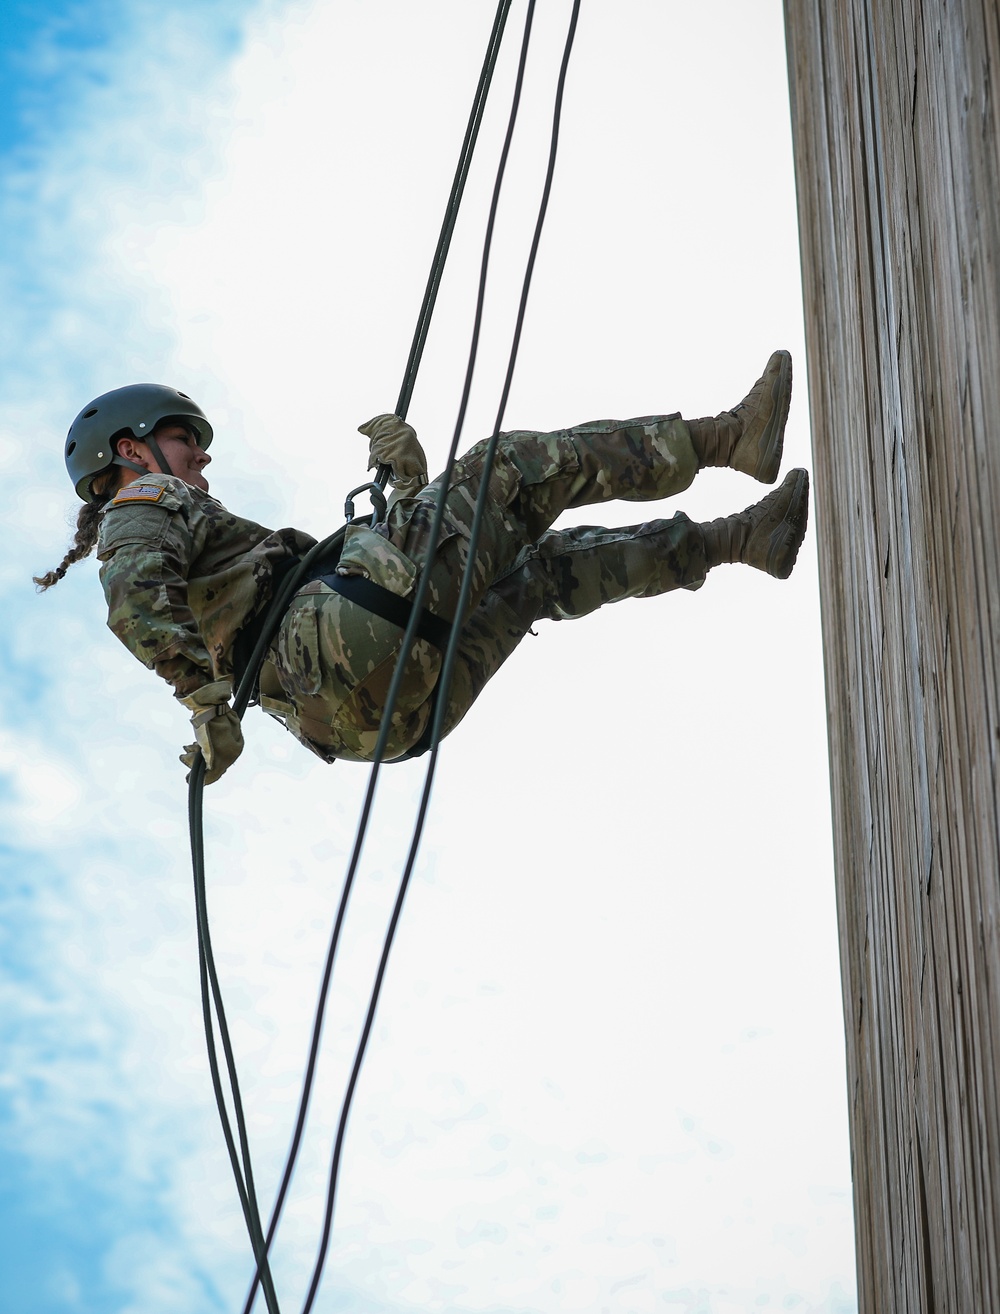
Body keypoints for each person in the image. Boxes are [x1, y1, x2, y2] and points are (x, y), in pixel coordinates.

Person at [36, 353, 809, 782]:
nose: (199, 454)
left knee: (533, 575)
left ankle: (740, 541)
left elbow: (393, 574)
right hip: (339, 642)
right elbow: (135, 601)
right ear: (133, 451)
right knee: (508, 468)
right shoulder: (142, 505)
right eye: (180, 439)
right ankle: (727, 440)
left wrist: (411, 490)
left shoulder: (199, 551)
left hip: (382, 725)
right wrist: (205, 704)